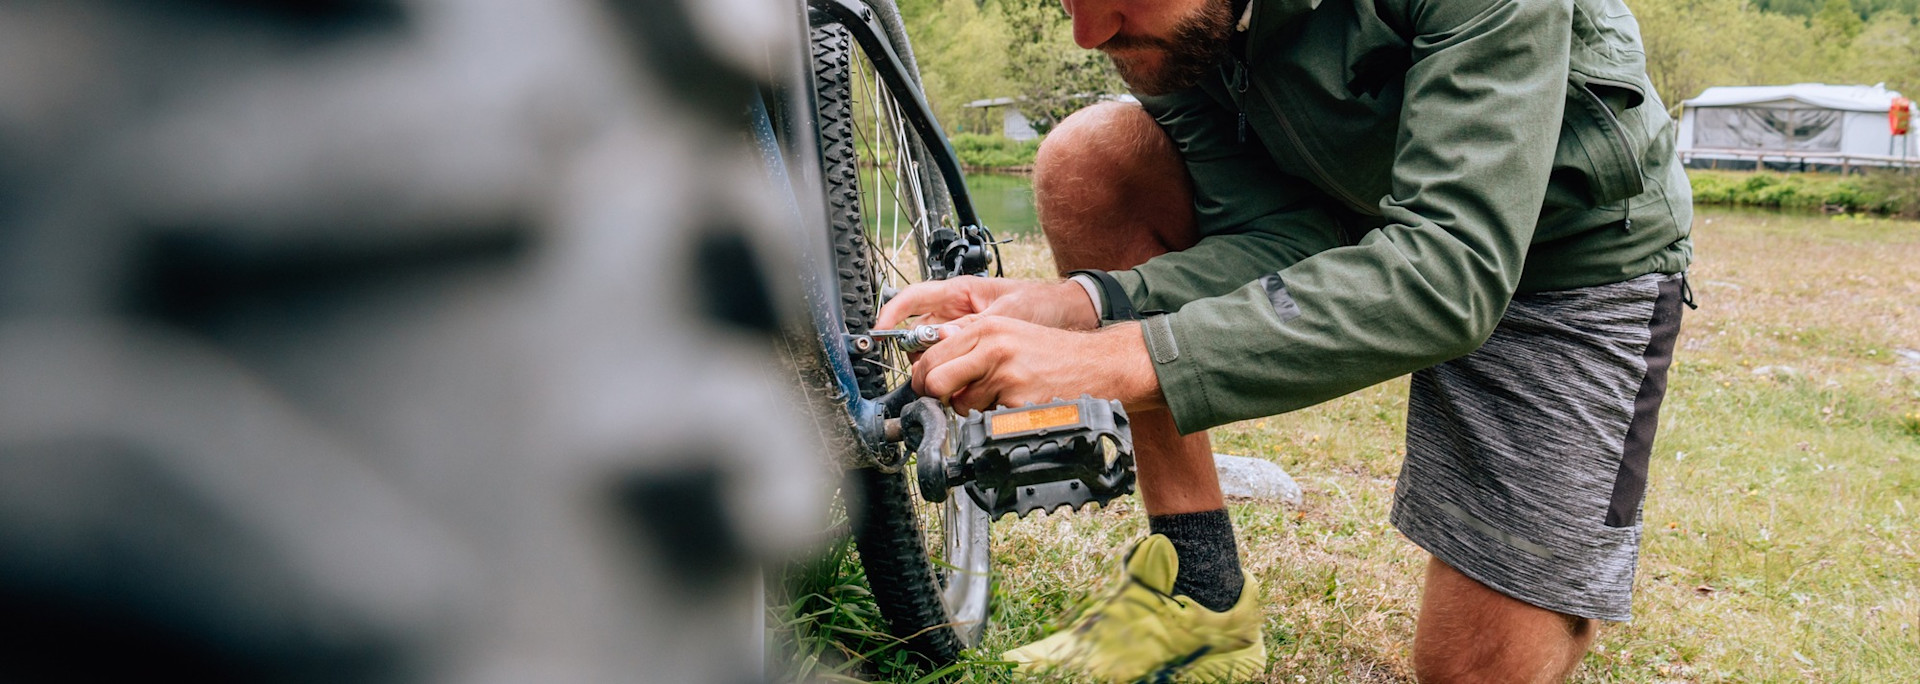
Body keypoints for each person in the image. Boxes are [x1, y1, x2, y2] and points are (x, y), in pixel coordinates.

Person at [875, 0, 1693, 680]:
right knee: (1092, 155)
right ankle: (1202, 597)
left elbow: (1449, 273)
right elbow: (1277, 238)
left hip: (1563, 257)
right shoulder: (1166, 26)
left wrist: (1108, 356)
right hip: (1358, 212)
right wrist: (1079, 304)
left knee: (1469, 671)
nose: (1091, 31)